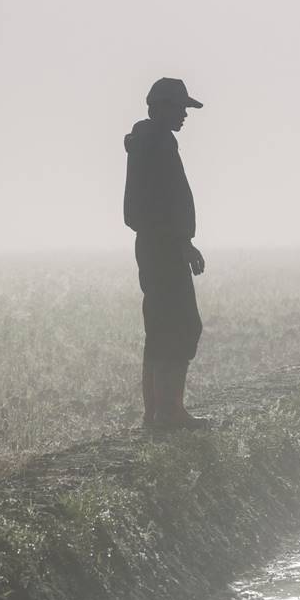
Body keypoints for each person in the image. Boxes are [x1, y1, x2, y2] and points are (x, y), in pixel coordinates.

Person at [123, 77, 210, 430]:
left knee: (162, 326)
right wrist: (182, 243)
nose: (185, 115)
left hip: (155, 245)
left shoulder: (150, 141)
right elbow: (163, 204)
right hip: (163, 247)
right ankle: (168, 412)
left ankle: (156, 413)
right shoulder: (157, 143)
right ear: (161, 107)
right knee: (180, 324)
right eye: (180, 108)